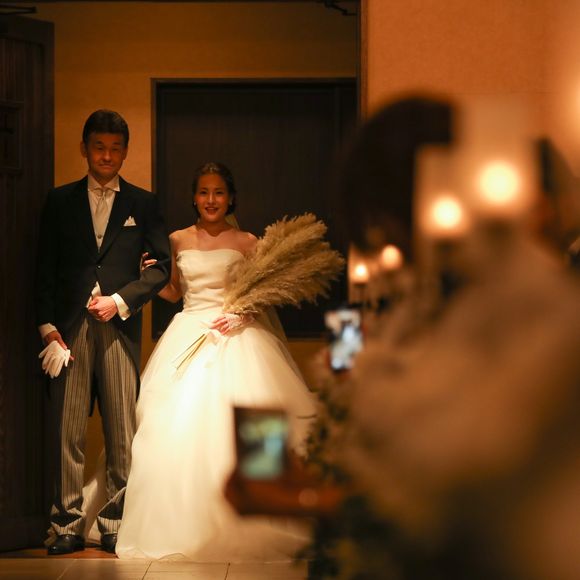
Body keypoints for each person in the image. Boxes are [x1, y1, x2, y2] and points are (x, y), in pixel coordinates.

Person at [116, 162, 316, 561]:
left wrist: (241, 315)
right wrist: (149, 277)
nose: (211, 200)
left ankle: (258, 515)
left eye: (219, 192)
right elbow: (175, 292)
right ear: (194, 197)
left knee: (250, 422)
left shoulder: (247, 241)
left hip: (236, 334)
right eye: (204, 192)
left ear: (231, 198)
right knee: (172, 423)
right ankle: (180, 524)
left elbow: (261, 295)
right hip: (188, 330)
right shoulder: (177, 239)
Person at [35, 109, 171, 555]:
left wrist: (120, 301)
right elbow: (44, 268)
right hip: (69, 330)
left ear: (125, 152)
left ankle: (115, 522)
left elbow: (161, 268)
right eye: (99, 147)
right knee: (67, 430)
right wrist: (47, 327)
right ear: (85, 149)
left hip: (119, 327)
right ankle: (67, 524)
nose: (107, 156)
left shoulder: (143, 203)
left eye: (115, 148)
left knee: (121, 431)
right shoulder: (59, 201)